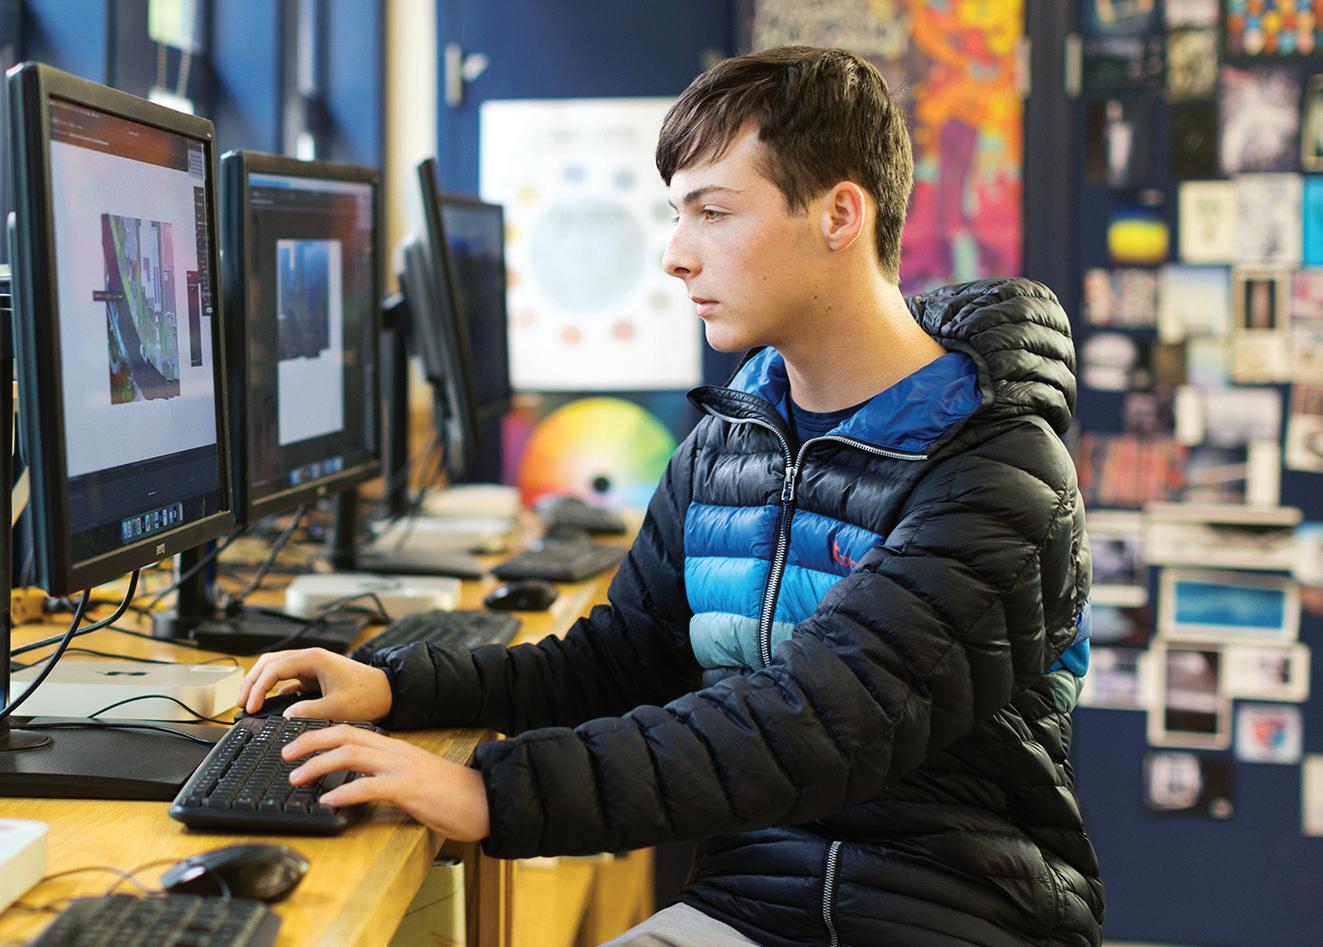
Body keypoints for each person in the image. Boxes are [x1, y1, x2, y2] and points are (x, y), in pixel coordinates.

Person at [241, 46, 1103, 946]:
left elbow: (815, 724)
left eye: (712, 213)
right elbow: (623, 660)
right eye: (675, 214)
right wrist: (395, 685)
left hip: (945, 915)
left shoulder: (998, 472)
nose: (675, 256)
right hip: (752, 902)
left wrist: (487, 792)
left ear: (840, 214)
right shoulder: (733, 441)